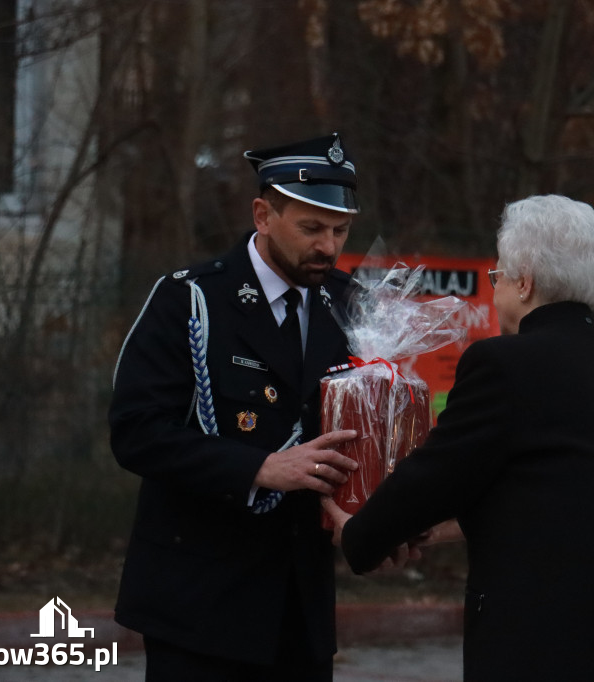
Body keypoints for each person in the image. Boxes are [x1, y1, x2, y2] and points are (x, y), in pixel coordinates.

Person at [322, 194, 594, 681]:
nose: (496, 292)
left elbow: (436, 474)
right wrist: (450, 526)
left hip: (549, 646)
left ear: (524, 284)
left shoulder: (503, 364)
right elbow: (576, 494)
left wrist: (361, 534)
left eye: (497, 278)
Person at [109, 132, 363, 681]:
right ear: (263, 214)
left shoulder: (349, 304)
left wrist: (382, 516)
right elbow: (136, 432)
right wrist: (260, 468)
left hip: (300, 608)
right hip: (200, 604)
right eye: (312, 228)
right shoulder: (192, 299)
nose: (328, 247)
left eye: (341, 230)